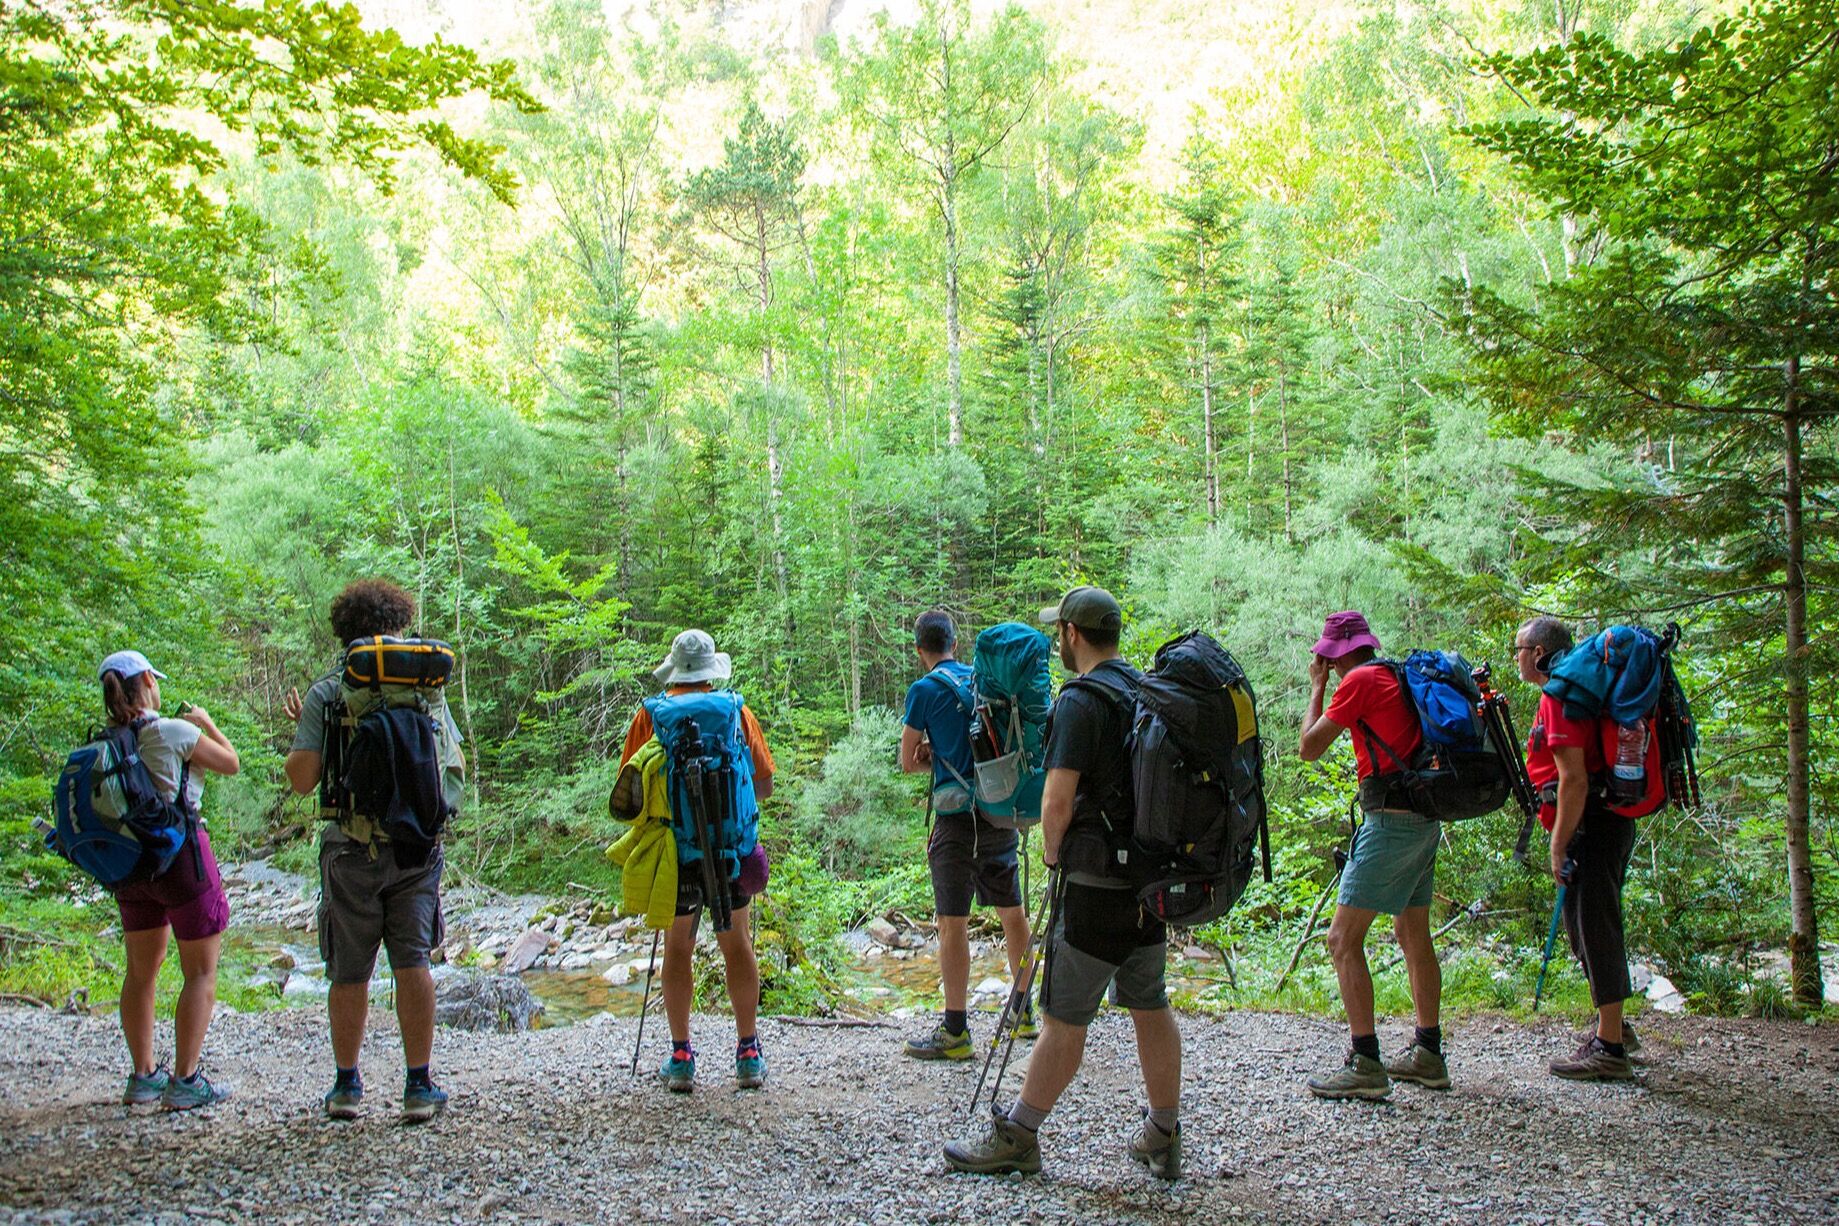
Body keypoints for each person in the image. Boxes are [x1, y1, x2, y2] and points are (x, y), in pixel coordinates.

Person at [945, 586, 1182, 1180]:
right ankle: (1163, 1131)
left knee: (1064, 1018)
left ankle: (1020, 1137)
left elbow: (1056, 800)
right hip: (1148, 885)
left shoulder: (1081, 700)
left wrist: (1054, 854)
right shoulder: (1146, 691)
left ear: (1073, 635)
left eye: (1061, 631)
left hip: (1096, 882)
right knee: (1149, 1003)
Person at [283, 579, 463, 1122]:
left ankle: (345, 1087)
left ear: (345, 630)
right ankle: (418, 1085)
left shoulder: (328, 690)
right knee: (412, 961)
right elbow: (450, 765)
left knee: (350, 969)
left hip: (349, 848)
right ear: (398, 626)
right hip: (415, 848)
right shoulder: (426, 689)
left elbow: (302, 779)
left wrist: (307, 735)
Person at [1297, 610, 1447, 1100]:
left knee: (1342, 940)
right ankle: (1428, 1054)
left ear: (1336, 653)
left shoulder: (1357, 681)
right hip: (1423, 817)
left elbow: (1309, 747)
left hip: (1392, 822)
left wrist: (1317, 686)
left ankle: (1365, 1062)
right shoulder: (1393, 673)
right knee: (1411, 930)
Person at [619, 629, 776, 1093]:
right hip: (730, 854)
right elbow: (763, 785)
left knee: (678, 948)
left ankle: (682, 1056)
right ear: (711, 671)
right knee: (737, 944)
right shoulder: (734, 711)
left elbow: (629, 798)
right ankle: (748, 1052)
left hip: (676, 856)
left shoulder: (649, 717)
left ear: (674, 670)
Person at [101, 651, 240, 1111]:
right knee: (200, 971)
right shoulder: (174, 731)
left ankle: (143, 1077)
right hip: (182, 859)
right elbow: (230, 763)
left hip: (131, 866)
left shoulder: (108, 745)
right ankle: (185, 1081)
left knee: (141, 972)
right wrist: (207, 721)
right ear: (145, 680)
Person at [898, 610, 1033, 1060]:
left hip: (955, 825)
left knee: (951, 922)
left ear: (921, 650)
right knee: (1012, 914)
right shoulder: (981, 680)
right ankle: (1024, 1012)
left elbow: (907, 762)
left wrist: (930, 755)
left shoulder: (923, 690)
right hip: (997, 814)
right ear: (955, 642)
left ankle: (955, 1029)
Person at [1516, 615, 1641, 1081]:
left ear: (1541, 653)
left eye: (1521, 649)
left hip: (1591, 824)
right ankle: (1615, 1029)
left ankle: (1609, 1048)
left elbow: (1573, 780)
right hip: (1604, 821)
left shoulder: (1561, 695)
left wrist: (1557, 844)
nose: (1518, 658)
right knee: (1583, 926)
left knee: (1596, 926)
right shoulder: (1575, 690)